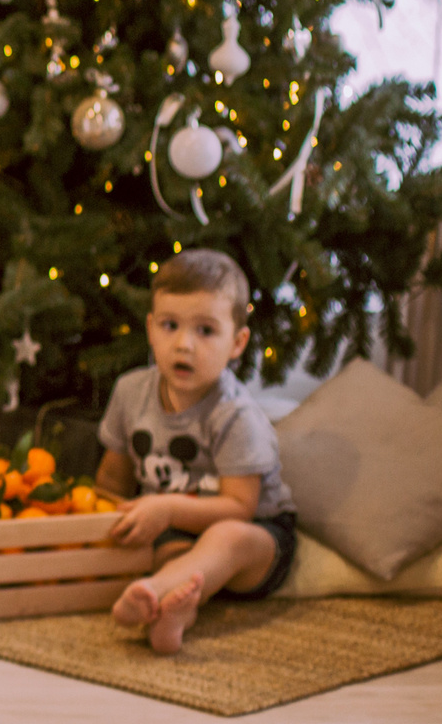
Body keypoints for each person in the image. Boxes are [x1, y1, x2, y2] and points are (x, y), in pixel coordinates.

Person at [99, 249, 298, 654]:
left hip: (256, 536)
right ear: (151, 329)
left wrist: (167, 508)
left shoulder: (235, 415)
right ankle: (174, 612)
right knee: (170, 556)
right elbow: (112, 477)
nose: (184, 344)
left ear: (237, 343)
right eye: (170, 326)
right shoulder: (130, 392)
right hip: (176, 532)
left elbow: (239, 507)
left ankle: (154, 591)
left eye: (205, 331)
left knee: (225, 539)